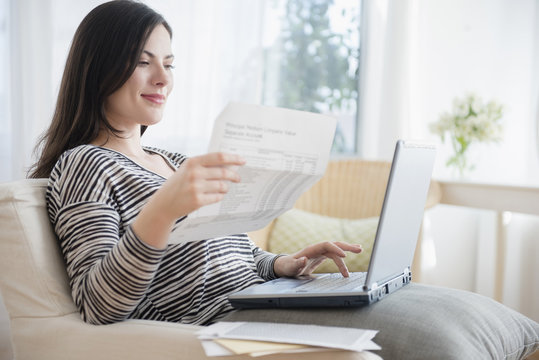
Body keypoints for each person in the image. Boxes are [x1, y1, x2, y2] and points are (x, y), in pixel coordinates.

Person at [29, 0, 362, 326]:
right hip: (225, 321)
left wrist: (283, 265)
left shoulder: (175, 162)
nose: (163, 79)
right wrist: (162, 211)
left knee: (403, 300)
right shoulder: (84, 164)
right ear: (98, 69)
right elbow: (98, 304)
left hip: (260, 298)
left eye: (169, 64)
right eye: (143, 62)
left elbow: (236, 253)